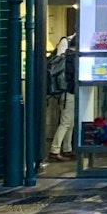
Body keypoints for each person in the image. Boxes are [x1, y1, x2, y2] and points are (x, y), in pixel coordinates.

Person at [47, 33, 77, 161]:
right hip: (68, 91)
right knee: (66, 122)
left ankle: (67, 148)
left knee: (69, 122)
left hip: (66, 91)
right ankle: (55, 150)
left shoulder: (68, 54)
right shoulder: (70, 57)